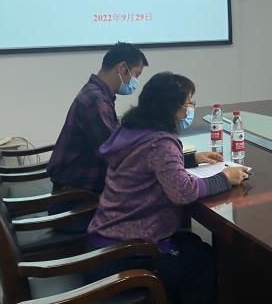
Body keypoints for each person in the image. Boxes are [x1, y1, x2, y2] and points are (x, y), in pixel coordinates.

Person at [88, 71, 247, 303]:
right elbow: (183, 192)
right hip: (130, 253)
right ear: (171, 107)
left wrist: (190, 159)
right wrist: (224, 178)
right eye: (188, 103)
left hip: (105, 241)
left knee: (193, 243)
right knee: (203, 261)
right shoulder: (161, 142)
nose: (190, 109)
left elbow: (146, 165)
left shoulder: (131, 130)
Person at [47, 42, 149, 195]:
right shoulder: (96, 101)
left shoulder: (97, 93)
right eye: (136, 74)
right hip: (78, 193)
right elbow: (115, 153)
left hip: (79, 182)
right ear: (122, 68)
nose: (136, 81)